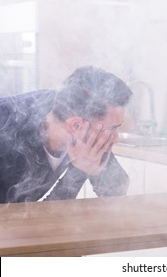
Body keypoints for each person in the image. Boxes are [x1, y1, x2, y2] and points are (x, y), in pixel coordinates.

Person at [0, 66, 132, 203]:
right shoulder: (7, 142)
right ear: (76, 126)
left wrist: (90, 168)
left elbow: (118, 190)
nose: (116, 138)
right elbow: (21, 216)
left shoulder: (72, 108)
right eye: (112, 128)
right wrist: (78, 171)